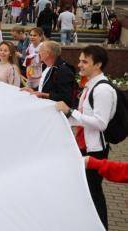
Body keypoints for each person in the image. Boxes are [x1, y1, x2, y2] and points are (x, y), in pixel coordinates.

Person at [56, 46, 118, 229]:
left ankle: (101, 226)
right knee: (86, 191)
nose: (79, 65)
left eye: (85, 62)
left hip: (96, 150)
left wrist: (71, 111)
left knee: (93, 192)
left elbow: (100, 123)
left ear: (97, 65)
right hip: (85, 145)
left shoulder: (103, 90)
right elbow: (83, 118)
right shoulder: (90, 85)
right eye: (80, 60)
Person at [23, 41, 76, 107]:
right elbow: (46, 88)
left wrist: (44, 95)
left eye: (41, 50)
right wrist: (33, 90)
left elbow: (66, 97)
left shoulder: (63, 70)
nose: (39, 53)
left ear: (48, 53)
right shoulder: (46, 66)